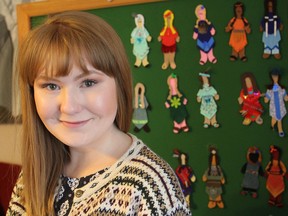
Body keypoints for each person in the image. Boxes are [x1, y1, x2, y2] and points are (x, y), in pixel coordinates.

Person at [7, 11, 191, 216]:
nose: (69, 106)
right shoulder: (35, 174)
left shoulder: (151, 188)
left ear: (119, 85)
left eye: (88, 83)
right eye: (51, 86)